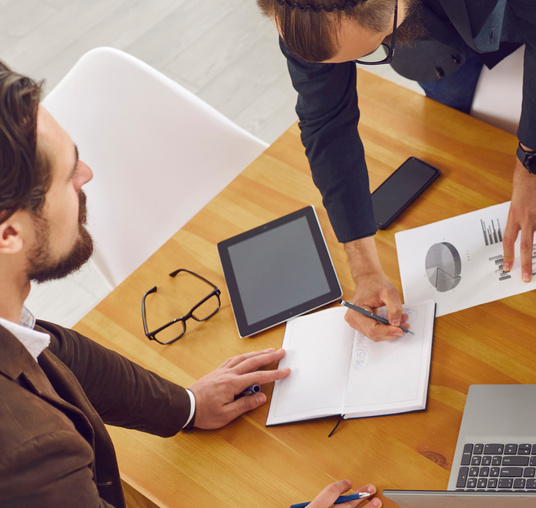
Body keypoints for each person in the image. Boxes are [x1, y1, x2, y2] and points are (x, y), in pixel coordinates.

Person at [0, 62, 376, 508]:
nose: (86, 175)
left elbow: (53, 354)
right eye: (67, 174)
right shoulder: (32, 457)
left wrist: (188, 405)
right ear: (9, 234)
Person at [256, 0, 536, 341]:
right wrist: (365, 268)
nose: (378, 51)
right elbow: (326, 122)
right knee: (463, 124)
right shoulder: (300, 10)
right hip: (431, 42)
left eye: (373, 49)